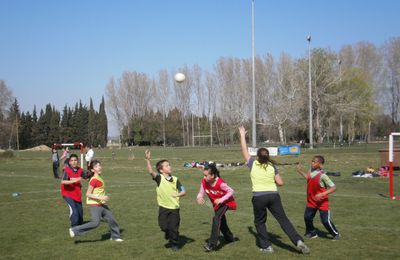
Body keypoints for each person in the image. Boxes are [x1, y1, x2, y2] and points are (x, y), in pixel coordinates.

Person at [238, 126, 310, 254]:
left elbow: (244, 149)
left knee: (260, 222)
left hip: (259, 197)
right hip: (274, 196)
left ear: (257, 156)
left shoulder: (253, 164)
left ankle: (267, 247)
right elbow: (280, 183)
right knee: (283, 220)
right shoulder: (272, 166)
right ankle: (298, 241)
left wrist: (242, 135)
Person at [69, 160, 123, 242]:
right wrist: (101, 197)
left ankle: (115, 237)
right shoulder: (94, 180)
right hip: (95, 205)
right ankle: (74, 230)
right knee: (95, 223)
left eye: (99, 165)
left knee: (112, 219)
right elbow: (88, 194)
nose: (99, 167)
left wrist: (103, 198)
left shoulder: (99, 177)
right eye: (97, 166)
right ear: (93, 170)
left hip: (101, 204)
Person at [145, 149, 186, 251]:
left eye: (169, 165)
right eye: (166, 165)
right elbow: (151, 172)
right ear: (161, 170)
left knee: (174, 228)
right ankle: (169, 233)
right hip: (163, 207)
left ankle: (175, 244)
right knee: (163, 226)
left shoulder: (176, 179)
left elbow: (184, 191)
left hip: (174, 208)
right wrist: (147, 160)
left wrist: (178, 194)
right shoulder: (159, 178)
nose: (169, 167)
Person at [296, 155, 341, 240]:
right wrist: (300, 171)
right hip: (311, 201)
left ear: (320, 165)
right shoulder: (310, 171)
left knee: (325, 221)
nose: (312, 163)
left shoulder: (323, 175)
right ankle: (312, 233)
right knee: (307, 218)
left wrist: (322, 194)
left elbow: (334, 187)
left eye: (314, 162)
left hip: (322, 202)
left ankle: (335, 234)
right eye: (312, 161)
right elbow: (308, 178)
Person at [196, 163, 237, 252]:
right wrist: (199, 197)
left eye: (206, 175)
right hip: (217, 204)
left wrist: (221, 199)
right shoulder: (204, 182)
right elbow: (201, 192)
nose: (204, 177)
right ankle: (230, 239)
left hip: (226, 203)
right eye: (204, 175)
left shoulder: (220, 183)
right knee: (222, 223)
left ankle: (211, 244)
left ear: (213, 175)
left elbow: (231, 191)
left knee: (216, 218)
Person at [61, 154, 84, 227]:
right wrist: (76, 180)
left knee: (80, 216)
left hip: (77, 195)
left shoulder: (80, 170)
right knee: (74, 212)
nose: (73, 162)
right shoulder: (67, 170)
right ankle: (73, 228)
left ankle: (79, 228)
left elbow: (86, 177)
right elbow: (63, 182)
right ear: (69, 162)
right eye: (72, 160)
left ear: (78, 161)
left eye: (75, 160)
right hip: (68, 194)